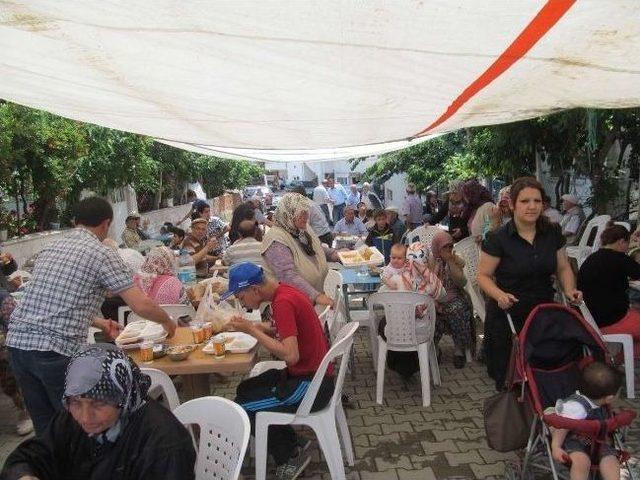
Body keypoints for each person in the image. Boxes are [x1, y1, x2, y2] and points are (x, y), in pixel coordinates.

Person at [6, 197, 176, 436]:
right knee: (79, 425)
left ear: (76, 221)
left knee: (47, 428)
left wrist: (99, 321)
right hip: (53, 350)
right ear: (106, 224)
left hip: (18, 345)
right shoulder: (101, 253)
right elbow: (141, 304)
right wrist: (168, 322)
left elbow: (55, 300)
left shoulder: (51, 248)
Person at [1, 343, 196, 480]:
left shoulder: (164, 443)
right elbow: (28, 457)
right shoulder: (70, 420)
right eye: (76, 402)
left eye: (99, 404)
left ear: (122, 397)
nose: (85, 418)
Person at [223, 263, 333, 480]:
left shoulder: (282, 302)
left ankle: (291, 455)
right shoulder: (284, 291)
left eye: (241, 297)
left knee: (242, 407)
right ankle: (291, 440)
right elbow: (287, 329)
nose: (241, 302)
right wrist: (261, 328)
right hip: (313, 375)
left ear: (255, 289)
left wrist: (252, 330)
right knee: (246, 388)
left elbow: (291, 356)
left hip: (311, 385)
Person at [478, 177, 582, 391]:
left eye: (537, 200)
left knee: (544, 377)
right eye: (525, 201)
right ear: (513, 204)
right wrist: (499, 295)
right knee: (511, 384)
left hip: (541, 316)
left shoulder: (552, 233)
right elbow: (483, 276)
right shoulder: (498, 238)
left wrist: (570, 289)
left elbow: (563, 267)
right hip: (508, 317)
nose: (532, 206)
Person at [377, 242, 446, 379]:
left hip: (396, 334)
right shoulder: (431, 283)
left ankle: (395, 364)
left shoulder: (395, 280)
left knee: (383, 323)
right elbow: (442, 295)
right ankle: (420, 362)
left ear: (407, 259)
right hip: (422, 333)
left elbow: (379, 298)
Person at [261, 193, 337, 308]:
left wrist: (333, 254)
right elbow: (287, 276)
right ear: (289, 214)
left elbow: (315, 249)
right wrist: (316, 296)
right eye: (302, 213)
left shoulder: (300, 229)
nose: (306, 216)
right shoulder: (276, 240)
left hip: (309, 300)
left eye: (307, 211)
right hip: (289, 306)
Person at [550, 362, 622, 480]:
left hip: (600, 440)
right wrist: (556, 446)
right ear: (609, 398)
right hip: (576, 441)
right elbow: (562, 426)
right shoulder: (576, 407)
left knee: (611, 460)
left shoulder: (602, 405)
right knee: (581, 462)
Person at [578, 223, 640, 355]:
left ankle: (622, 360)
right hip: (611, 320)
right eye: (627, 244)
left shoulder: (591, 259)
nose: (628, 247)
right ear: (621, 242)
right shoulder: (619, 258)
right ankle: (622, 360)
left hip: (591, 320)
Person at [430, 231, 474, 369]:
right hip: (435, 297)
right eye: (445, 247)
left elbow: (462, 282)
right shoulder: (431, 259)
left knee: (457, 309)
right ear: (437, 247)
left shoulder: (456, 259)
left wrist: (450, 262)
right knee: (430, 313)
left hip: (454, 296)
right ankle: (434, 348)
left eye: (450, 247)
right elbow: (428, 282)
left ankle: (459, 349)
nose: (448, 250)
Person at [1, 284, 33, 436]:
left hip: (7, 344)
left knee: (9, 377)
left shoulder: (4, 300)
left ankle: (26, 410)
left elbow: (14, 328)